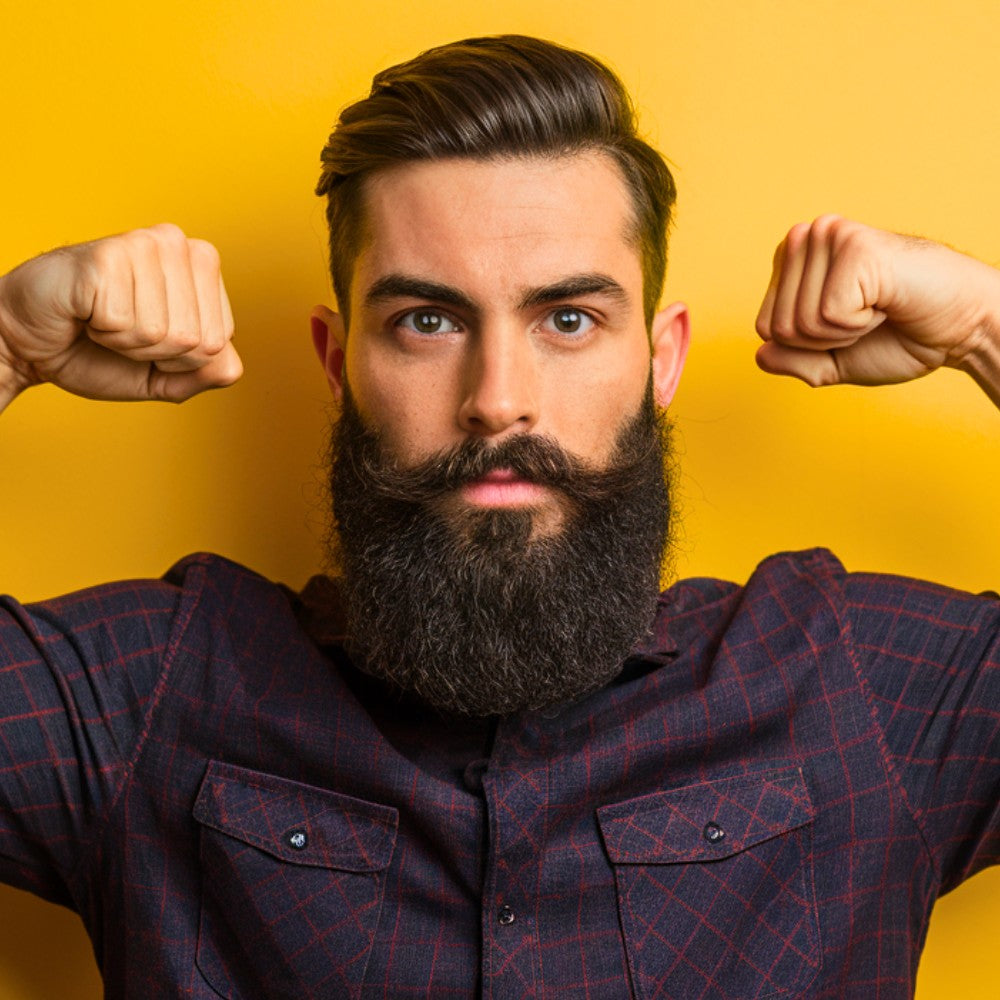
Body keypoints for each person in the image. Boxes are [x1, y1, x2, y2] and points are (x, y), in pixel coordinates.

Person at [1, 33, 999, 999]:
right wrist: (7, 343)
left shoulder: (853, 688)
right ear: (340, 361)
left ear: (660, 362)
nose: (497, 398)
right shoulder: (149, 696)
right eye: (426, 321)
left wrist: (988, 327)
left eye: (568, 319)